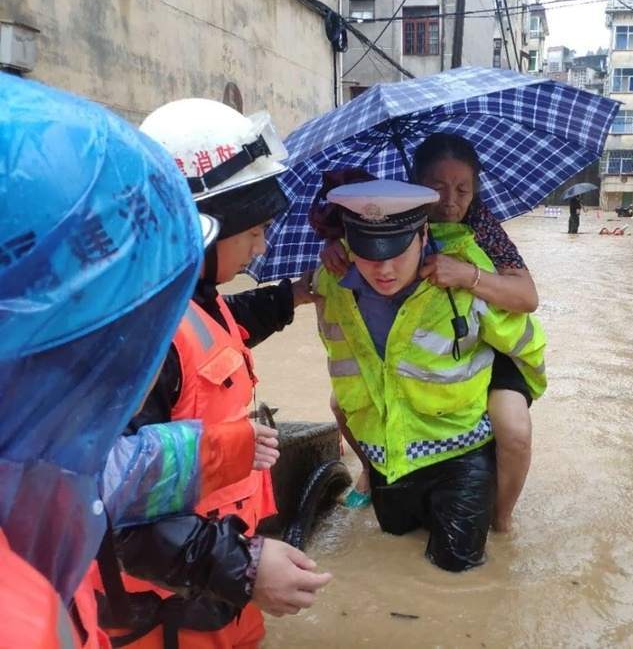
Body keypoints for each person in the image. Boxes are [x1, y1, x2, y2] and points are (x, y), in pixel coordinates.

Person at [98, 99, 330, 648]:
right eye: (254, 231)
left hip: (209, 591)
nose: (263, 245)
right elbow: (120, 515)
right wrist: (246, 568)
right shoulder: (139, 341)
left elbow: (227, 327)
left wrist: (292, 295)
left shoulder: (189, 295)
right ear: (198, 227)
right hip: (167, 612)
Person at [0, 74, 206, 647]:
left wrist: (220, 449)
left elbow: (100, 473)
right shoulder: (23, 623)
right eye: (144, 337)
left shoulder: (26, 459)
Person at [312, 178, 547, 571]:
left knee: (456, 569)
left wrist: (517, 390)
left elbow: (525, 336)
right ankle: (371, 478)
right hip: (389, 451)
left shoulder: (465, 273)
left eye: (396, 251)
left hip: (460, 451)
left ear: (423, 235)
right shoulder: (331, 282)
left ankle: (501, 517)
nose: (383, 269)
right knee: (392, 538)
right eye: (368, 253)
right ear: (350, 243)